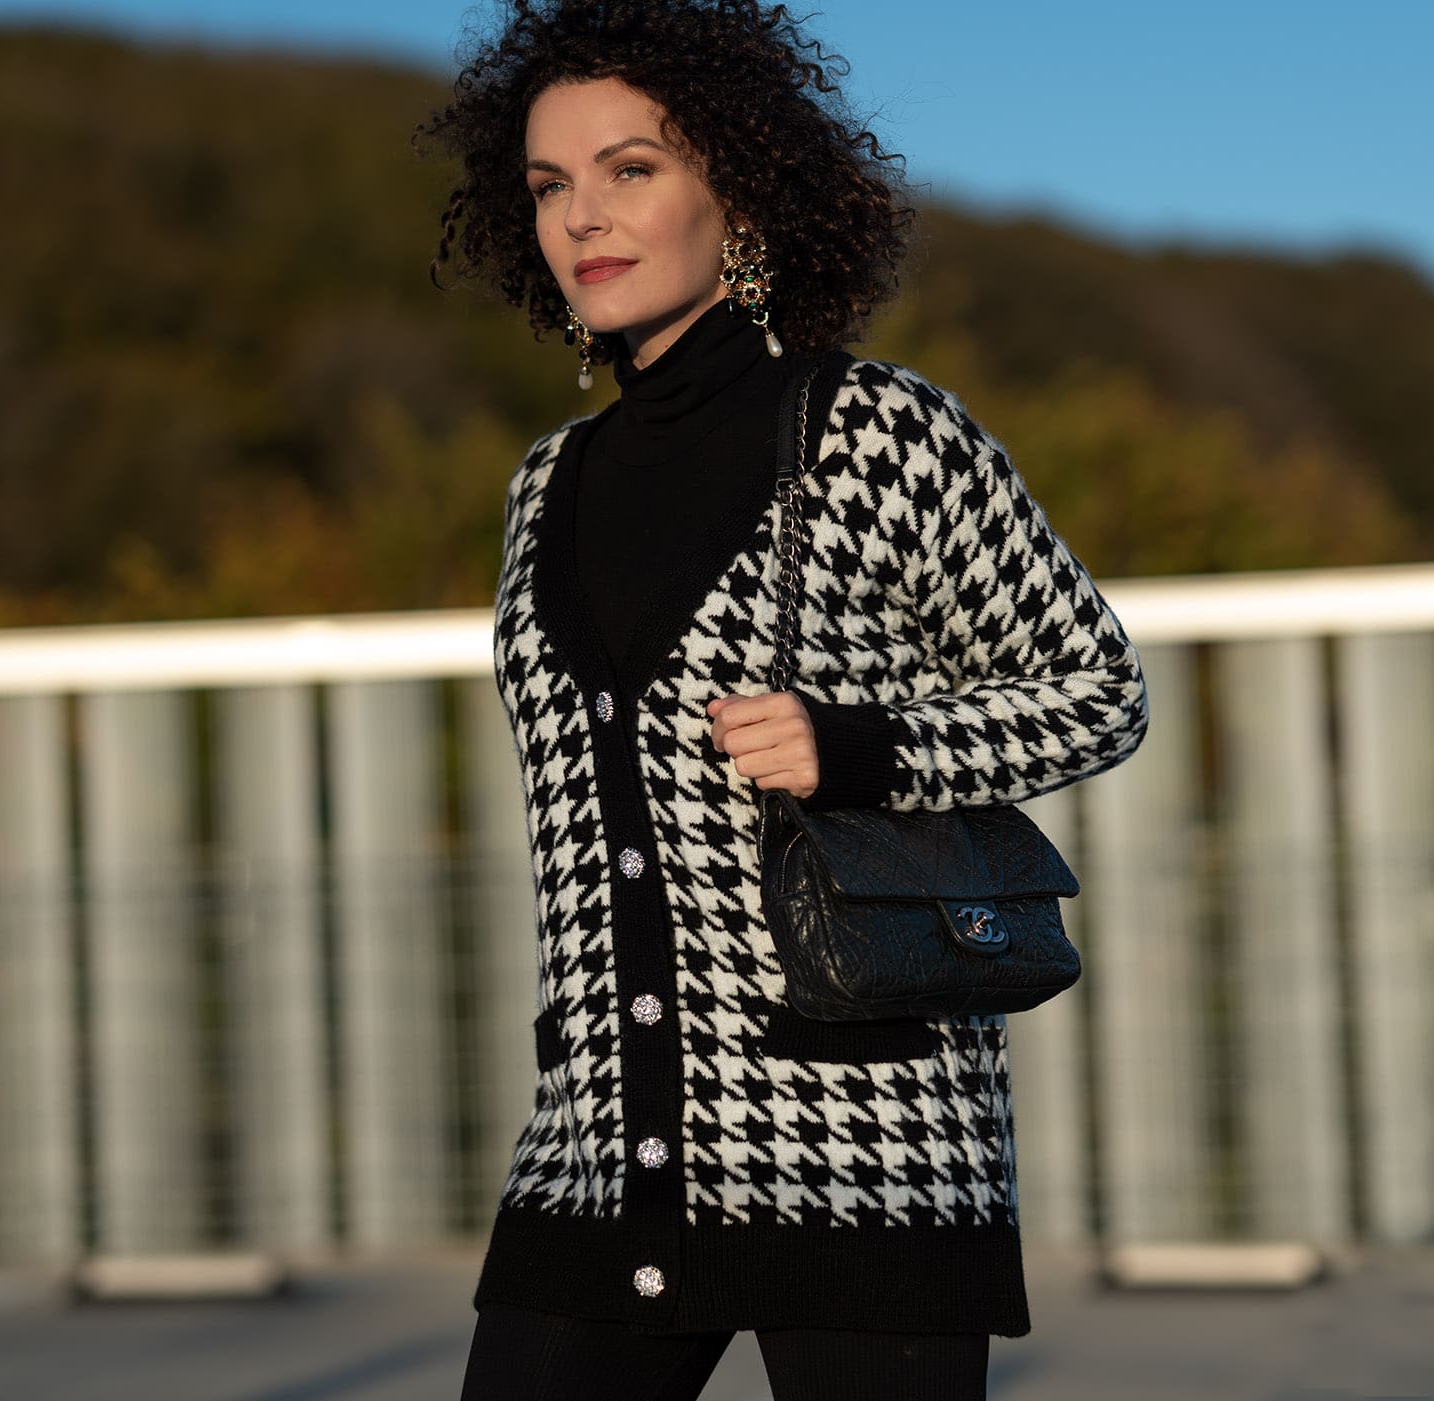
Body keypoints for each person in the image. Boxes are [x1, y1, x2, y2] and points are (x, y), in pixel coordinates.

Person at [420, 4, 1150, 1396]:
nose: (587, 215)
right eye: (550, 185)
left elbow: (1097, 689)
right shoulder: (543, 487)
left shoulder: (880, 432)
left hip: (867, 1139)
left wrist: (862, 745)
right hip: (597, 1146)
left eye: (632, 169)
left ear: (739, 193)